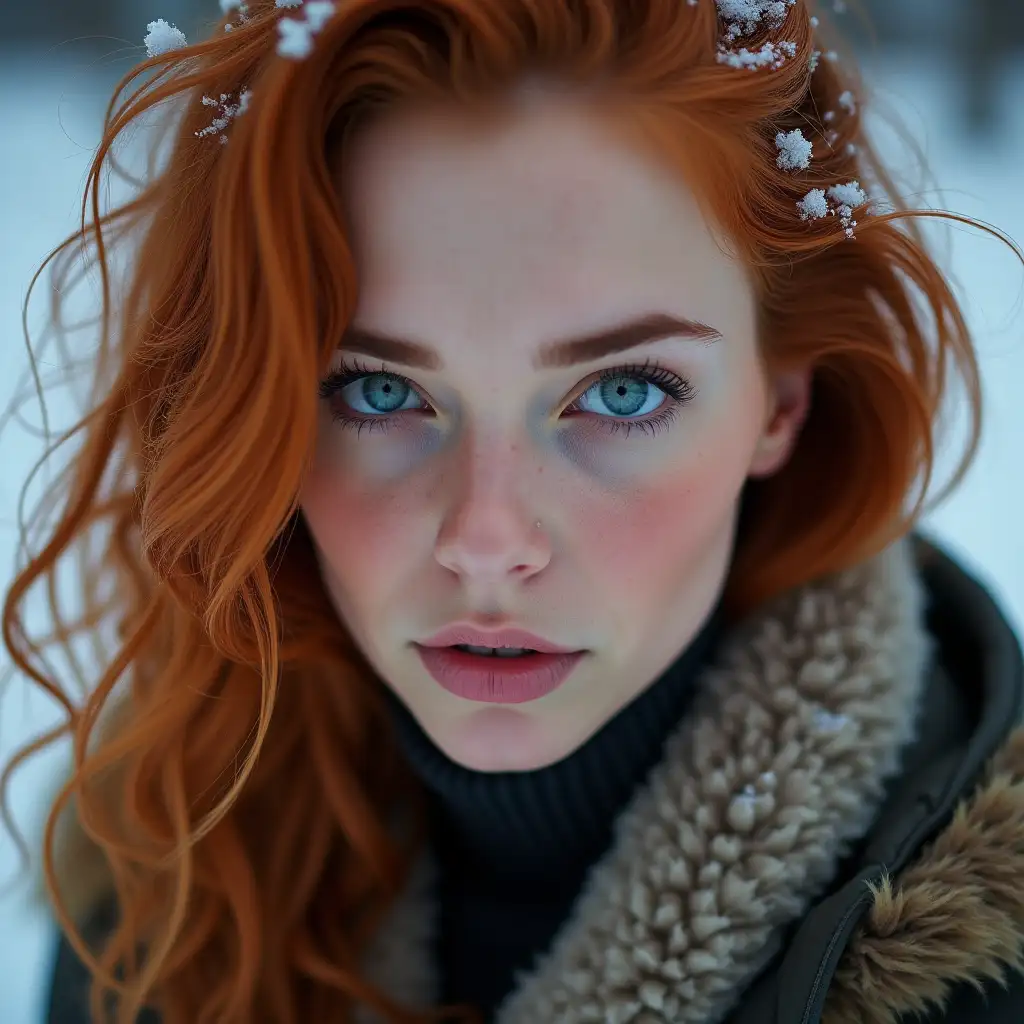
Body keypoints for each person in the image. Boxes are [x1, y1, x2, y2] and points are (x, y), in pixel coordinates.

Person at [3, 0, 1023, 1022]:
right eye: (377, 391)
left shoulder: (984, 975)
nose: (486, 541)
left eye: (623, 392)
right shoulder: (162, 866)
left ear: (782, 403)